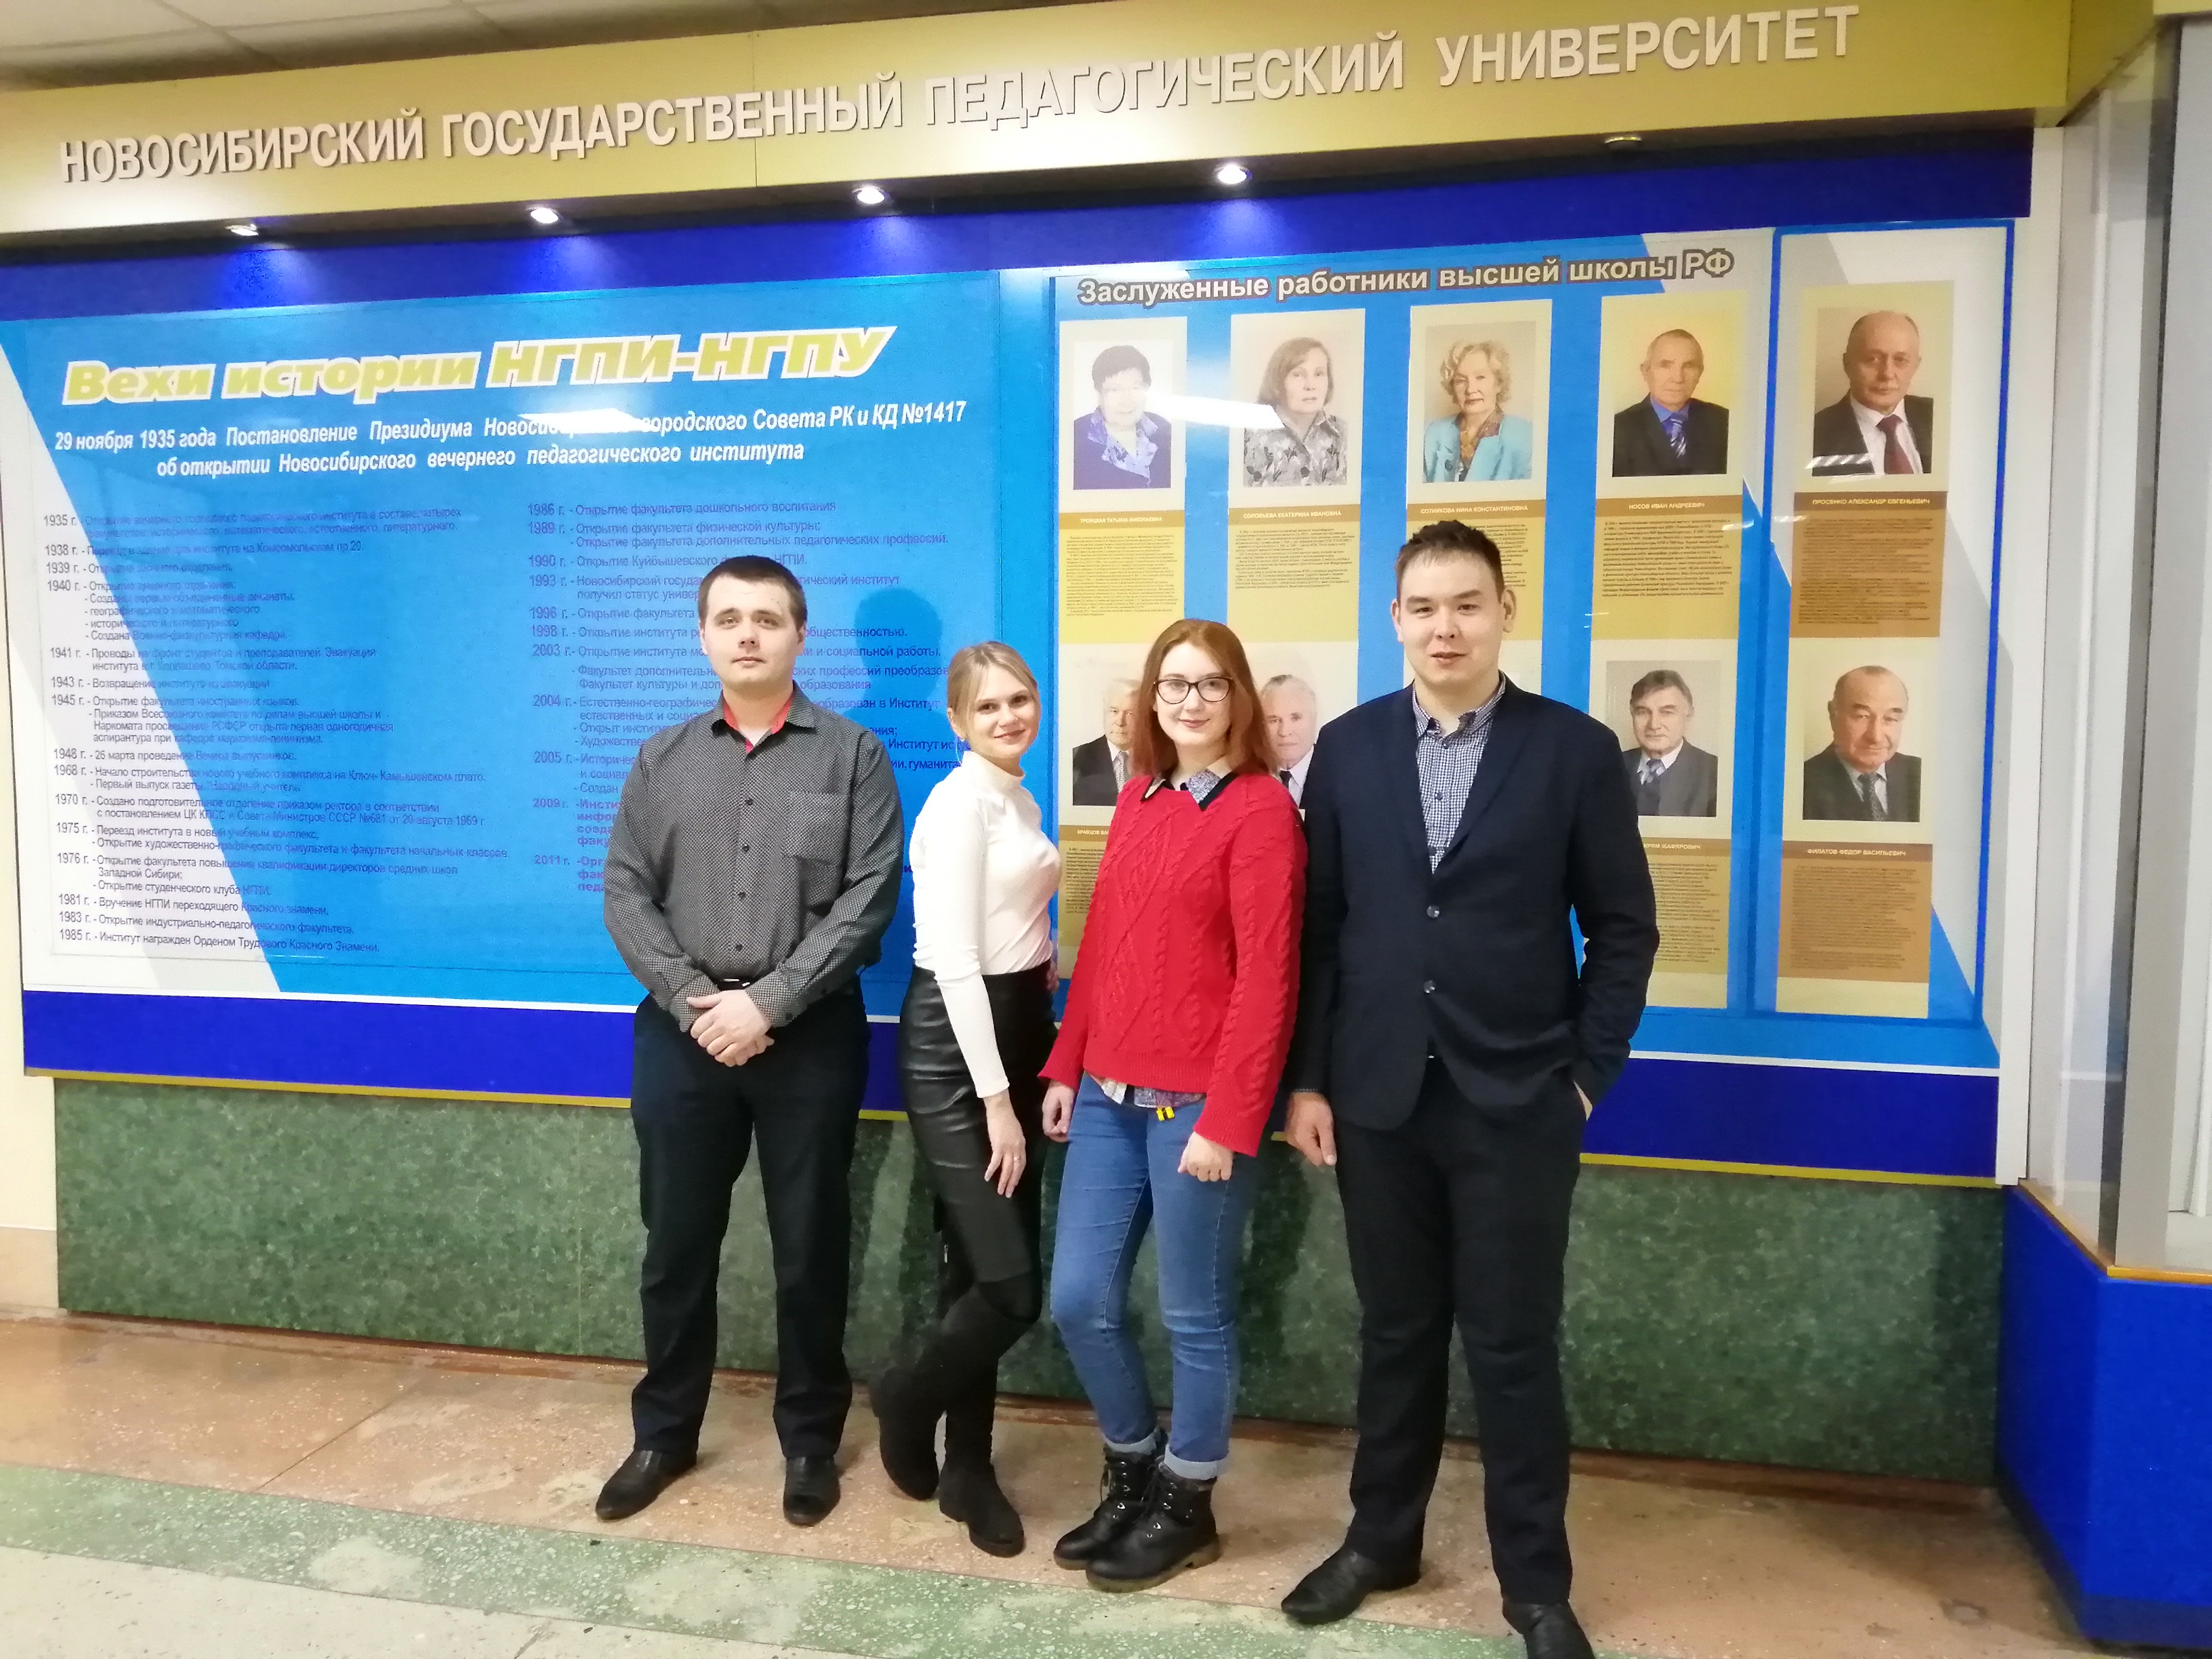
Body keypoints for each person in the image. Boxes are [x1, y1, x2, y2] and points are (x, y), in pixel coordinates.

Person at [1279, 521, 1658, 1659]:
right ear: (1394, 618)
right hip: (1377, 1095)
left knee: (1511, 1345)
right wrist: (1309, 1080)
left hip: (1517, 1098)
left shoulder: (1573, 749)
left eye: (1466, 604)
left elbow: (1623, 928)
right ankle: (1379, 1540)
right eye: (1423, 607)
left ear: (1503, 612)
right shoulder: (1346, 748)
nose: (1444, 628)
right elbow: (1322, 932)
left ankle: (1534, 1585)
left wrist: (1583, 1076)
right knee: (1395, 1332)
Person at [596, 554, 903, 1530]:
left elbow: (870, 897)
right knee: (675, 1246)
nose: (747, 634)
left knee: (809, 1248)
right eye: (728, 618)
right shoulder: (662, 758)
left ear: (800, 636)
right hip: (682, 1035)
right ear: (703, 637)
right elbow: (624, 890)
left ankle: (810, 1441)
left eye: (767, 618)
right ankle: (663, 1434)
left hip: (808, 1037)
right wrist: (697, 1006)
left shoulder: (853, 756)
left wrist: (768, 1003)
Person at [1042, 617, 1305, 1593]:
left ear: (1239, 698)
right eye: (1173, 685)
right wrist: (1065, 1066)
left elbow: (1268, 980)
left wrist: (1229, 1121)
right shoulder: (1140, 798)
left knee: (1194, 1314)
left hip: (1195, 1109)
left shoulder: (1261, 809)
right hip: (1108, 1095)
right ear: (1151, 700)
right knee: (1079, 1300)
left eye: (1210, 684)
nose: (1191, 702)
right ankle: (1133, 1469)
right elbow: (1103, 946)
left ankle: (1188, 1503)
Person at [872, 643, 1061, 1557]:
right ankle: (904, 1398)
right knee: (1011, 1289)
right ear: (955, 720)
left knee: (976, 1275)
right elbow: (953, 961)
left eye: (1019, 699)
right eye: (987, 707)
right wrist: (994, 1102)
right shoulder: (956, 806)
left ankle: (969, 1469)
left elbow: (1014, 922)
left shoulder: (1016, 796)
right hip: (958, 1052)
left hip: (1020, 1032)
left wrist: (1043, 974)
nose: (1008, 716)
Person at [1809, 311, 1935, 476]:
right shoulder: (1813, 437)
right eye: (1872, 359)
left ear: (1916, 366)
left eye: (1900, 360)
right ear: (1847, 364)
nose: (1887, 374)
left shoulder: (1938, 415)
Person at [1802, 665, 1922, 822]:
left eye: (1891, 719)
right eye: (1862, 716)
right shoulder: (1801, 784)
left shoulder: (1920, 774)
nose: (1876, 737)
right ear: (1833, 715)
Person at [1610, 330, 1729, 478]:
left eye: (1689, 366)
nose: (1678, 378)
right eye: (1666, 365)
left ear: (1700, 373)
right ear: (1646, 372)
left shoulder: (1724, 421)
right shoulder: (1617, 429)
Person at [1422, 340, 1534, 483]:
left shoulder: (1526, 436)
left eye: (1480, 377)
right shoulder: (1431, 434)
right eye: (1461, 381)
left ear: (1498, 384)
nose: (1470, 389)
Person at [1244, 337, 1349, 486]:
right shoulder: (1249, 437)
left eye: (1319, 374)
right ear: (1278, 382)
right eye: (1298, 375)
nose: (1310, 385)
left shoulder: (1343, 433)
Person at [1620, 668, 1719, 817]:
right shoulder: (1611, 765)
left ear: (1688, 715)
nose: (1654, 725)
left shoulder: (1714, 772)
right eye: (1643, 712)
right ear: (1632, 714)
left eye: (1667, 712)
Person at [1072, 345, 1174, 490]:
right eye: (1115, 390)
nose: (1127, 401)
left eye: (1135, 388)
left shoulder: (1164, 431)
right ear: (1099, 392)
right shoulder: (1074, 437)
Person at [1071, 679, 1138, 807]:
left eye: (1130, 713)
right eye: (1114, 711)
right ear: (1104, 713)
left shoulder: (1158, 762)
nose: (1120, 722)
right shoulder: (1076, 758)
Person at [1261, 673, 1319, 808]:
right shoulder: (1246, 777)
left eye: (1296, 718)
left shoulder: (1338, 776)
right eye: (1274, 720)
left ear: (1314, 719)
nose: (1284, 732)